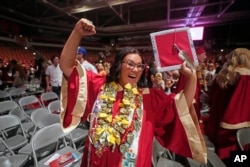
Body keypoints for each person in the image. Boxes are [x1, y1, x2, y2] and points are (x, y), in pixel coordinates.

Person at [59, 18, 207, 167]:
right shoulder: (100, 86)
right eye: (130, 64)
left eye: (139, 66)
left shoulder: (149, 97)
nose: (135, 69)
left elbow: (182, 104)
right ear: (118, 65)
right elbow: (66, 65)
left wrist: (191, 77)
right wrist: (77, 33)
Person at [204, 48, 250, 165]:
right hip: (237, 127)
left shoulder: (222, 76)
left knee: (225, 155)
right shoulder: (246, 77)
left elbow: (212, 100)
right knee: (240, 152)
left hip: (218, 122)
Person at [174, 47, 207, 120]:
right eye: (203, 54)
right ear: (197, 55)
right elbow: (182, 86)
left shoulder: (196, 67)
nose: (205, 57)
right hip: (191, 98)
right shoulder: (189, 68)